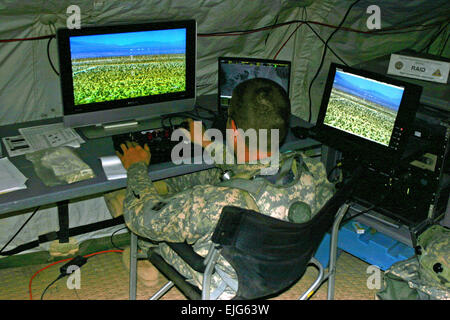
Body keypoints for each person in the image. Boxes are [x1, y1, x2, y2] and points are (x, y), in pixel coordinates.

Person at [112, 78, 335, 299]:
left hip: (226, 282)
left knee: (139, 211)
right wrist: (209, 144)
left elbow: (141, 217)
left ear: (233, 129)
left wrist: (136, 168)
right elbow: (253, 169)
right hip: (288, 267)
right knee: (204, 179)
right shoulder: (310, 167)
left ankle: (145, 257)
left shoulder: (219, 201)